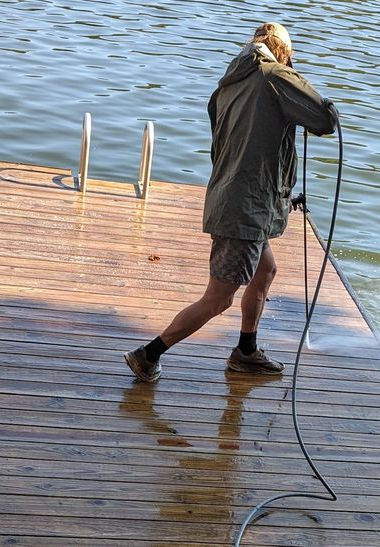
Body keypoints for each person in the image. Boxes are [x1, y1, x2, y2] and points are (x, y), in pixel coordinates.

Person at [124, 22, 337, 383]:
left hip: (235, 200)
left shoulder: (230, 83)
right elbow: (325, 119)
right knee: (218, 298)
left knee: (265, 271)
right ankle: (149, 354)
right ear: (280, 51)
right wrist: (296, 80)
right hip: (244, 211)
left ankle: (246, 352)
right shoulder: (274, 76)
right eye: (291, 55)